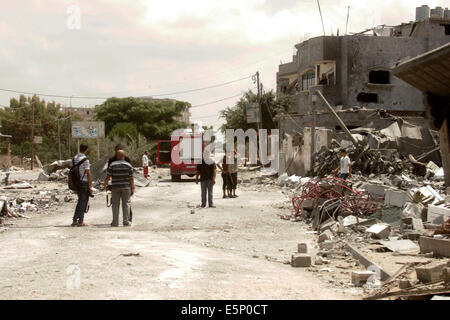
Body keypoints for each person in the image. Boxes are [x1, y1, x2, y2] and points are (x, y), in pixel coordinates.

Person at [104, 150, 134, 227]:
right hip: (126, 187)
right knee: (126, 204)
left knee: (115, 204)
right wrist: (132, 188)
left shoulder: (112, 165)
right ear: (124, 156)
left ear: (117, 156)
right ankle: (126, 221)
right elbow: (131, 178)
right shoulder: (128, 165)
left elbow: (108, 177)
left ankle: (115, 222)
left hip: (115, 187)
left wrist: (105, 185)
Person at [72, 144, 93, 227]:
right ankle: (81, 221)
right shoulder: (85, 160)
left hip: (76, 182)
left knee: (80, 201)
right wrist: (90, 185)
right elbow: (88, 173)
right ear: (86, 150)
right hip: (84, 182)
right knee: (83, 202)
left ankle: (75, 220)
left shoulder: (74, 158)